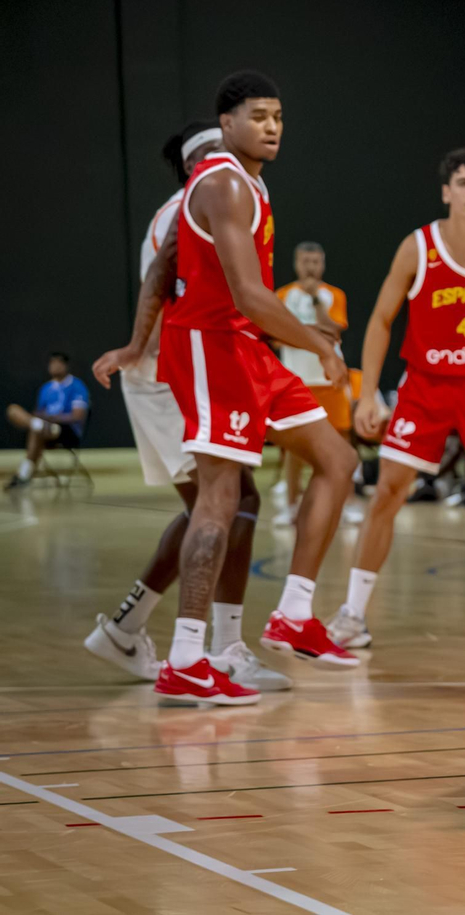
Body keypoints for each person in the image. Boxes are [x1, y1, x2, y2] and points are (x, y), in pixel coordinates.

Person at [95, 70, 361, 706]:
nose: (271, 127)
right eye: (258, 116)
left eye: (278, 116)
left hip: (245, 347)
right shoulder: (221, 184)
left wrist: (134, 343)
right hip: (211, 347)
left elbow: (163, 268)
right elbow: (247, 294)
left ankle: (294, 613)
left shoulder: (243, 184)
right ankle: (188, 656)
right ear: (226, 127)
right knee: (220, 498)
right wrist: (317, 341)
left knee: (338, 459)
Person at [85, 121, 288, 692]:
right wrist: (131, 349)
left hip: (170, 371)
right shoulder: (201, 199)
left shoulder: (195, 200)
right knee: (230, 501)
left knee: (221, 503)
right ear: (199, 160)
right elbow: (161, 278)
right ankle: (217, 650)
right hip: (169, 373)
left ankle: (131, 628)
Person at [326, 148, 465, 649]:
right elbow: (379, 320)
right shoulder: (419, 247)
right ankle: (352, 613)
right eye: (463, 182)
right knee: (388, 494)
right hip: (425, 387)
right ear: (446, 192)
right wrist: (367, 394)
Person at [274, 241, 362, 528]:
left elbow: (333, 332)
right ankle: (290, 506)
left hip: (329, 381)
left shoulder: (333, 295)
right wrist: (313, 332)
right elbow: (275, 335)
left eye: (315, 262)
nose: (310, 267)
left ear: (322, 264)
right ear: (296, 263)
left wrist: (313, 304)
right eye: (305, 261)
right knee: (294, 449)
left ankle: (347, 503)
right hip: (295, 380)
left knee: (342, 443)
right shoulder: (282, 295)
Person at [5, 353, 90, 488]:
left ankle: (23, 475)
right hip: (46, 428)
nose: (54, 366)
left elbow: (77, 416)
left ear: (66, 366)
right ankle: (38, 426)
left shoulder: (77, 386)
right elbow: (39, 411)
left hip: (66, 431)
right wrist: (40, 419)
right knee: (13, 410)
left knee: (36, 431)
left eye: (58, 363)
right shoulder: (46, 388)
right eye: (52, 363)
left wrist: (53, 418)